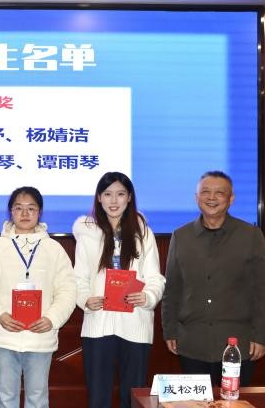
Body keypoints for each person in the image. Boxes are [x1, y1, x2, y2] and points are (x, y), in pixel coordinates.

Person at [162, 170, 265, 386]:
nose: (211, 198)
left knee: (233, 400)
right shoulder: (181, 236)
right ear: (196, 197)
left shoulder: (251, 236)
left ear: (231, 199)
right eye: (205, 192)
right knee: (196, 402)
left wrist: (262, 337)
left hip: (238, 344)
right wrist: (170, 332)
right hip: (191, 343)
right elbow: (172, 290)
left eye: (219, 193)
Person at [0, 186, 76, 408]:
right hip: (4, 336)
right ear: (11, 212)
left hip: (41, 337)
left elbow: (68, 290)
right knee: (6, 397)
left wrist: (52, 319)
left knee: (37, 398)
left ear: (40, 212)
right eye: (19, 208)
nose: (25, 213)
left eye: (31, 208)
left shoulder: (54, 249)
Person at [73, 171, 165, 408]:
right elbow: (79, 278)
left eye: (120, 194)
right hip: (98, 325)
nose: (114, 201)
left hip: (135, 324)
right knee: (98, 398)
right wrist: (85, 299)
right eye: (107, 194)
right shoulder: (87, 234)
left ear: (130, 197)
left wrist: (147, 297)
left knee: (132, 398)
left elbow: (155, 278)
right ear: (99, 198)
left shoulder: (143, 233)